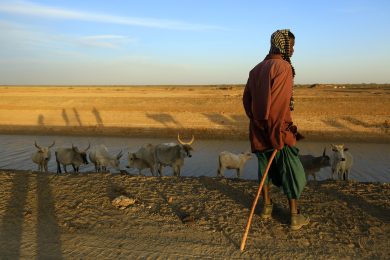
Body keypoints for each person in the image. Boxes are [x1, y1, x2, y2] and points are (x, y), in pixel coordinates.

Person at [242, 29, 309, 230]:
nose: (294, 50)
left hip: (258, 128)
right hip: (278, 129)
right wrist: (278, 133)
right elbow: (279, 104)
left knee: (265, 169)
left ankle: (267, 208)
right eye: (292, 46)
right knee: (290, 170)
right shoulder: (283, 67)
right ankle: (295, 216)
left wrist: (257, 121)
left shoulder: (256, 69)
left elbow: (247, 100)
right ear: (284, 46)